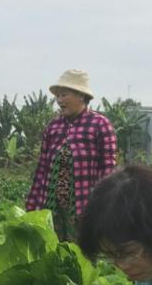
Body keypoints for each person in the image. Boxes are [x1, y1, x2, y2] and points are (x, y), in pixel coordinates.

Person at [25, 69, 117, 241]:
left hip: (84, 208)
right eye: (57, 96)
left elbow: (107, 171)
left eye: (64, 95)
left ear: (81, 96)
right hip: (52, 207)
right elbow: (42, 169)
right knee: (53, 254)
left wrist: (103, 206)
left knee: (82, 256)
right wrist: (32, 204)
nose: (59, 100)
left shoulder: (99, 124)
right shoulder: (54, 126)